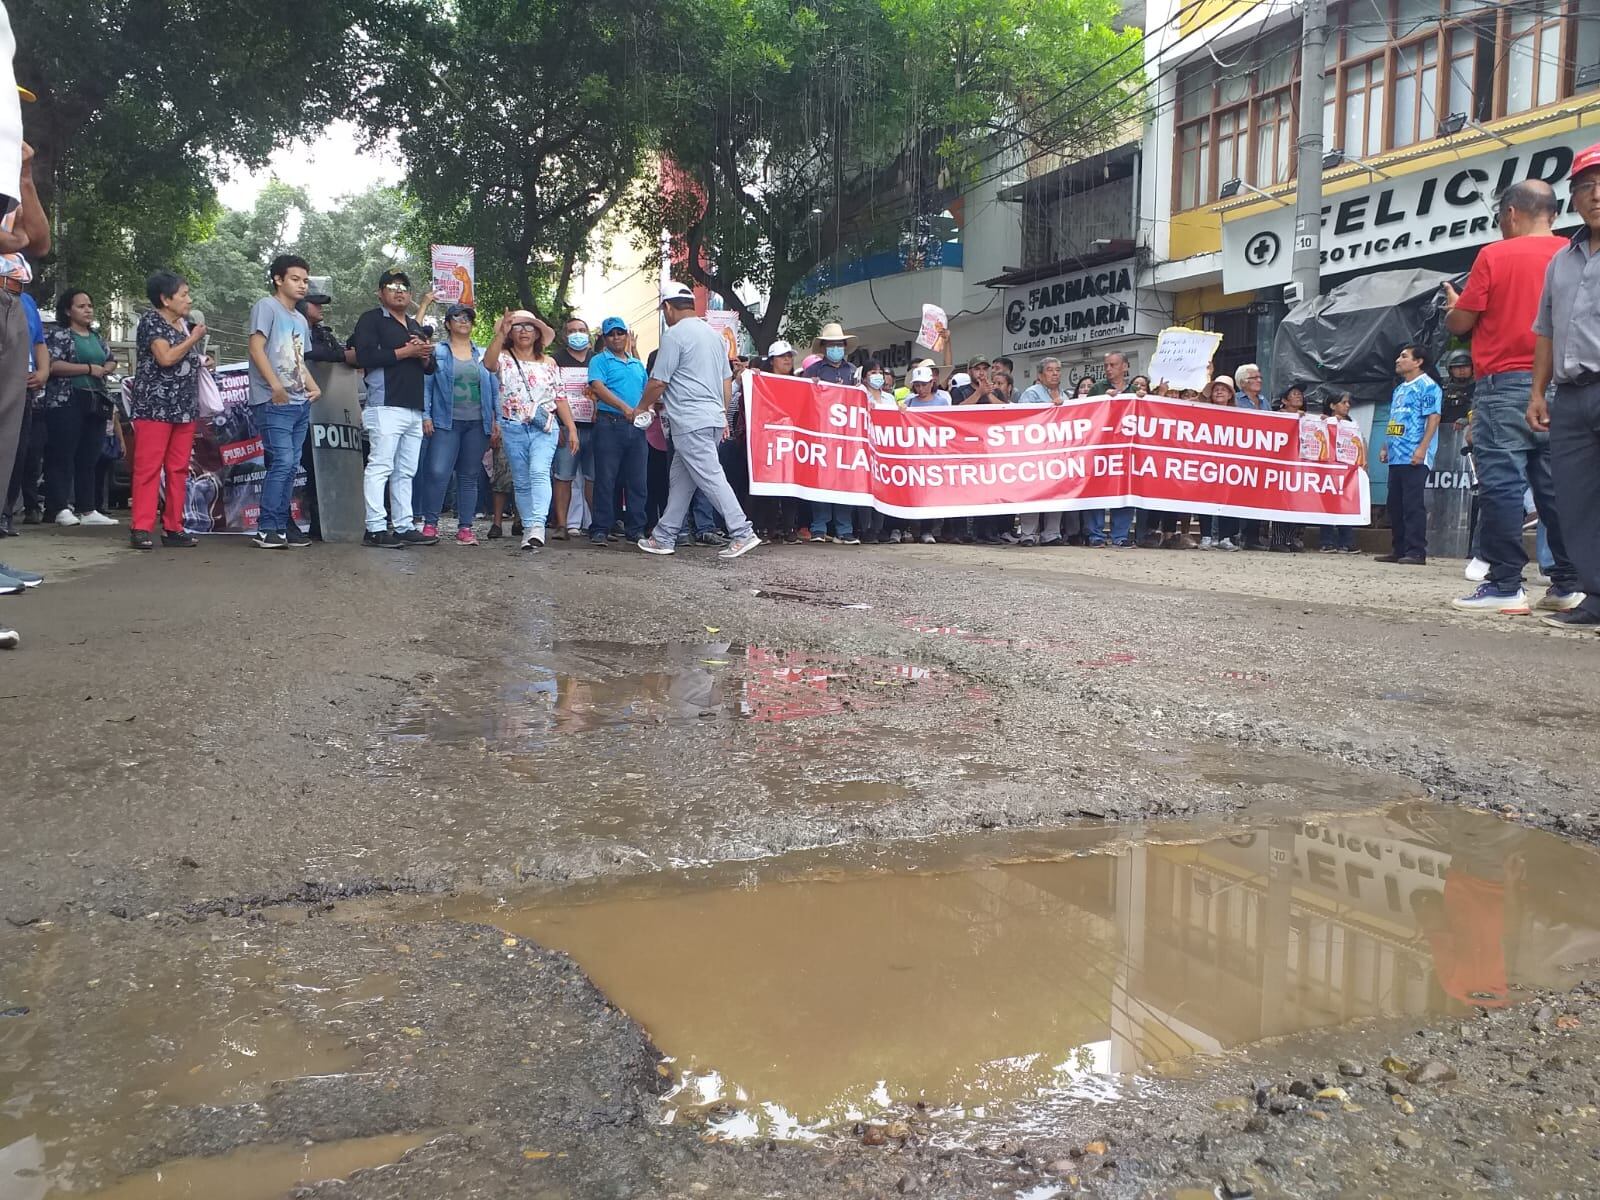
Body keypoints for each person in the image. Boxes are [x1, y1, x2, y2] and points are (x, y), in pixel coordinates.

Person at [1446, 179, 1581, 617]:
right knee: (1555, 487)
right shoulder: (1572, 255)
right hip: (1562, 385)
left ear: (1509, 214)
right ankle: (1568, 582)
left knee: (1502, 485)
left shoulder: (1495, 254)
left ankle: (1505, 583)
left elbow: (1461, 324)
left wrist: (1454, 305)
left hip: (1504, 383)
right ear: (1555, 215)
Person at [1530, 141, 1600, 630]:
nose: (1596, 195)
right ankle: (1596, 596)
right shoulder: (1561, 260)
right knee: (1576, 502)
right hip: (1571, 397)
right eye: (1586, 187)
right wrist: (1537, 392)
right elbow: (1546, 330)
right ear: (1572, 198)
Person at [636, 282, 759, 559]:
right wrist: (722, 414)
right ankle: (664, 535)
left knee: (711, 477)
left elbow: (658, 382)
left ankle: (742, 531)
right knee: (681, 480)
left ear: (667, 307)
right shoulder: (715, 337)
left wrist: (640, 407)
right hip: (711, 418)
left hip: (690, 421)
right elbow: (726, 381)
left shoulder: (675, 335)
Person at [352, 269, 437, 549]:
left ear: (410, 295)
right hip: (385, 405)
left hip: (413, 408)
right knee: (381, 466)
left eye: (404, 287)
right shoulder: (371, 319)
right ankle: (375, 527)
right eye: (391, 286)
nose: (398, 291)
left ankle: (403, 525)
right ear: (380, 293)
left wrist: (424, 354)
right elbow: (362, 355)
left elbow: (429, 368)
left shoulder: (413, 325)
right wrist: (405, 352)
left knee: (406, 471)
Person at [125, 271, 207, 550]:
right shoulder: (152, 321)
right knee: (148, 468)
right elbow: (165, 357)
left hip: (183, 406)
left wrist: (200, 360)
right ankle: (141, 527)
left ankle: (174, 526)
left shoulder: (183, 325)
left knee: (179, 469)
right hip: (154, 406)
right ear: (165, 298)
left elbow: (183, 357)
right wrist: (193, 339)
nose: (189, 299)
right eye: (183, 294)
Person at [484, 308, 576, 551]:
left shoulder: (549, 363)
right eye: (517, 326)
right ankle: (528, 527)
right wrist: (499, 335)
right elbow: (488, 364)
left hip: (543, 428)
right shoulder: (503, 357)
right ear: (510, 333)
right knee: (522, 481)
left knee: (538, 472)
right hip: (512, 427)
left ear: (537, 334)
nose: (523, 331)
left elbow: (560, 397)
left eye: (528, 327)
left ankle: (537, 527)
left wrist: (572, 428)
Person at [247, 254, 320, 549]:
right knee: (283, 462)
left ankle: (279, 526)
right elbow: (255, 347)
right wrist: (275, 386)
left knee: (290, 466)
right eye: (295, 279)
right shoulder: (266, 306)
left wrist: (313, 387)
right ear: (278, 279)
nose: (302, 285)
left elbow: (298, 359)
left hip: (300, 400)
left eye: (304, 280)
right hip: (274, 400)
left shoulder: (300, 319)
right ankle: (266, 528)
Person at [419, 303, 496, 545]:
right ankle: (430, 524)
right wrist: (426, 415)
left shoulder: (483, 353)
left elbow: (494, 389)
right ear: (448, 323)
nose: (464, 321)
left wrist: (497, 420)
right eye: (457, 317)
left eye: (468, 318)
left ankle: (465, 528)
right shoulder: (438, 352)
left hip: (477, 423)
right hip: (445, 421)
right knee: (437, 472)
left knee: (469, 476)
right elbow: (427, 385)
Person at [43, 289, 118, 527]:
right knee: (63, 454)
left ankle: (88, 508)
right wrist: (87, 368)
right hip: (66, 400)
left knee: (89, 455)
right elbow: (52, 365)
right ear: (68, 310)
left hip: (95, 400)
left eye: (89, 305)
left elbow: (111, 357)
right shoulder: (59, 335)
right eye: (81, 306)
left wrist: (107, 366)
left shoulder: (96, 336)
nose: (88, 310)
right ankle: (59, 507)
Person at [586, 316, 649, 549]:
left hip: (636, 427)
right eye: (611, 334)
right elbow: (597, 387)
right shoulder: (599, 361)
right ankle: (601, 528)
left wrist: (645, 409)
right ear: (604, 338)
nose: (616, 337)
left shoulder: (636, 364)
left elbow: (647, 389)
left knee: (637, 481)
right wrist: (625, 408)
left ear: (626, 335)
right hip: (609, 423)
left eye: (620, 333)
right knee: (606, 479)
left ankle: (635, 529)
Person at [1376, 344, 1442, 565]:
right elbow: (1395, 419)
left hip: (1415, 453)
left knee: (1413, 504)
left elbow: (1433, 418)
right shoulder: (1400, 389)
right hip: (1396, 454)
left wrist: (1422, 448)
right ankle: (1399, 548)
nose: (1398, 359)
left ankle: (1416, 551)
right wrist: (1386, 446)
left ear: (1418, 361)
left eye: (1404, 356)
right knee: (1395, 503)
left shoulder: (1428, 386)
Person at [802, 321, 860, 543]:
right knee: (822, 480)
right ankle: (819, 528)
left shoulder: (852, 372)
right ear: (825, 347)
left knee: (845, 480)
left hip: (846, 436)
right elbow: (801, 399)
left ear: (844, 347)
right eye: (831, 345)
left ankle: (844, 530)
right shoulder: (812, 371)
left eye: (839, 345)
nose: (836, 348)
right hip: (820, 434)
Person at [0, 284, 42, 536]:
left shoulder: (25, 300)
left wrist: (43, 371)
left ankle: (5, 514)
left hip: (24, 383)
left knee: (15, 451)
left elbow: (39, 342)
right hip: (6, 379)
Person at [1012, 358, 1068, 547]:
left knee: (1056, 492)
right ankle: (1028, 533)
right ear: (1040, 375)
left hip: (1057, 453)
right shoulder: (1031, 393)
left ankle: (1052, 533)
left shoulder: (1066, 395)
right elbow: (1025, 418)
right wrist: (1053, 408)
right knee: (1032, 492)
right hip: (1034, 452)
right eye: (1050, 370)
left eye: (1058, 370)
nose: (1055, 374)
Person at [551, 314, 596, 538]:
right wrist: (556, 425)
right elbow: (548, 394)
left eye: (581, 329)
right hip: (566, 428)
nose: (576, 334)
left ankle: (597, 526)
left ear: (588, 334)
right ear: (564, 335)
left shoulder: (598, 359)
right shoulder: (555, 360)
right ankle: (561, 525)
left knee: (593, 478)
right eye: (571, 331)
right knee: (564, 477)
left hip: (595, 427)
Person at [1197, 376, 1242, 551]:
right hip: (1207, 462)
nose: (1219, 391)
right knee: (1205, 498)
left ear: (1230, 394)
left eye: (1223, 389)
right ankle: (1206, 536)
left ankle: (1225, 537)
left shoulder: (1240, 415)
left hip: (1229, 464)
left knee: (1228, 499)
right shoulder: (1203, 410)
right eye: (1216, 389)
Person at [1320, 392, 1365, 554]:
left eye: (1348, 403)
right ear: (1332, 405)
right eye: (1343, 402)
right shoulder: (1322, 421)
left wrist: (1363, 463)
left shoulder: (1352, 424)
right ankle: (1327, 541)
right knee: (1327, 504)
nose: (1347, 405)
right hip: (1327, 470)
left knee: (1345, 504)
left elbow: (1361, 443)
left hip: (1347, 470)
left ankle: (1347, 541)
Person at [300, 288, 353, 365]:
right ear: (300, 304)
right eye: (315, 303)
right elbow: (309, 351)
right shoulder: (291, 330)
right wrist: (343, 356)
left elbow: (338, 350)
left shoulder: (323, 333)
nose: (320, 307)